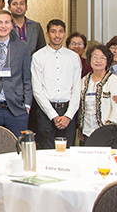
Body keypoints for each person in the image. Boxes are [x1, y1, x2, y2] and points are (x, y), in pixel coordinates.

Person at [31, 19, 81, 149]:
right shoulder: (38, 56)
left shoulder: (73, 57)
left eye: (60, 32)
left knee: (67, 151)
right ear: (47, 33)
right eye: (53, 31)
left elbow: (77, 88)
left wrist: (68, 115)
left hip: (68, 110)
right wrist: (53, 115)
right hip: (45, 112)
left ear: (64, 33)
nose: (57, 35)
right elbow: (37, 89)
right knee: (46, 151)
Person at [77, 45, 117, 143]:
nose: (98, 61)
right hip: (87, 132)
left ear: (107, 61)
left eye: (102, 58)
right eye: (95, 57)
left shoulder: (113, 80)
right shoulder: (84, 80)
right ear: (89, 59)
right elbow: (80, 107)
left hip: (107, 133)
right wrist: (80, 127)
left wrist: (109, 128)